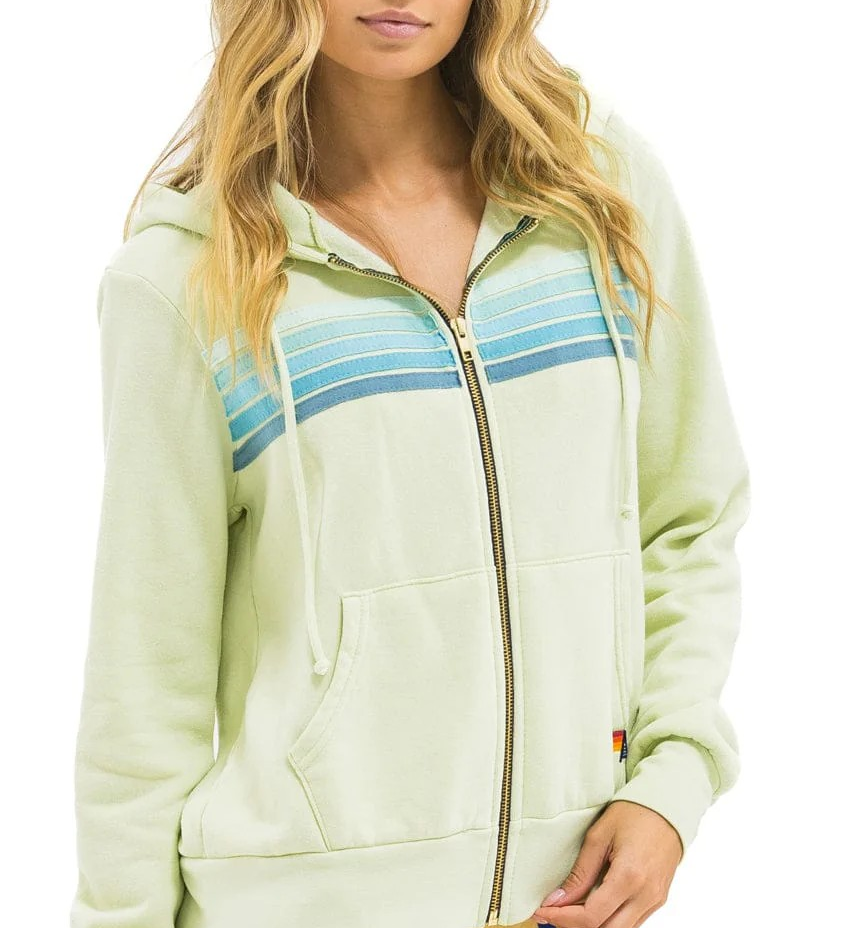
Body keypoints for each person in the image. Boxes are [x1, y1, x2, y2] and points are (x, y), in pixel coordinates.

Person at [69, 2, 751, 928]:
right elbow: (146, 681)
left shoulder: (599, 197)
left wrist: (671, 782)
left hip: (567, 901)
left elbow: (688, 516)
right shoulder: (188, 281)